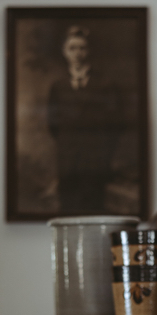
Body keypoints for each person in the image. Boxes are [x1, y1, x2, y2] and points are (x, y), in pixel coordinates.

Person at [47, 25, 127, 213]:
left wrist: (102, 153)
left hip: (95, 161)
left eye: (82, 48)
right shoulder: (58, 87)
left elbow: (115, 125)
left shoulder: (106, 85)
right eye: (72, 48)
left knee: (93, 208)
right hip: (67, 161)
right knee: (68, 208)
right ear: (64, 51)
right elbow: (53, 125)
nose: (77, 54)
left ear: (89, 51)